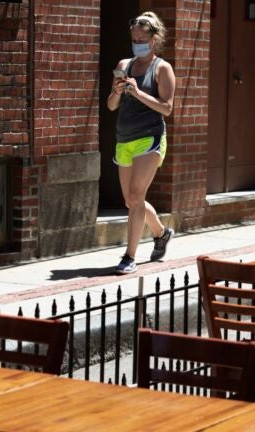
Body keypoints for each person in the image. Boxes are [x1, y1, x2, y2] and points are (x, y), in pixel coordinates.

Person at [107, 12, 175, 275]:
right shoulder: (124, 64)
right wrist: (117, 91)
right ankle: (160, 232)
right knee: (131, 200)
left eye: (142, 39)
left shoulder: (162, 68)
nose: (137, 43)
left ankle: (129, 256)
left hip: (150, 136)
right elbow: (111, 105)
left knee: (136, 196)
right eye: (134, 38)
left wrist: (138, 92)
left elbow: (167, 108)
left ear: (154, 39)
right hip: (124, 137)